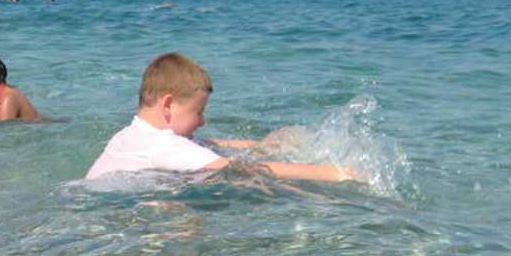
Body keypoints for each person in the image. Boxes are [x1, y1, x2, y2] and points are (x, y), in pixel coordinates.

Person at [85, 52, 358, 182]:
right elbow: (240, 169)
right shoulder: (163, 146)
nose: (202, 121)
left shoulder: (134, 135)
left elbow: (206, 145)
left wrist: (262, 145)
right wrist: (337, 173)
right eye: (199, 111)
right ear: (167, 104)